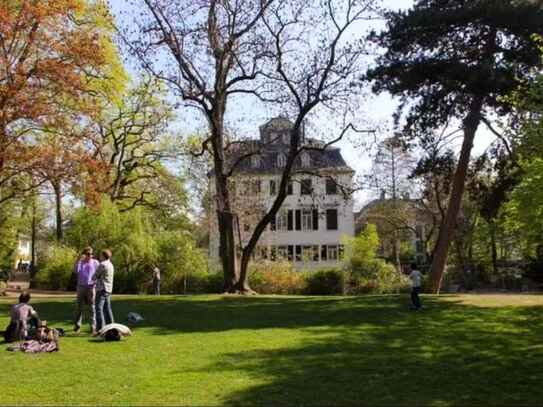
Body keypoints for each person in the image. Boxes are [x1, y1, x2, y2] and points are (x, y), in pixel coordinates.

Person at [73, 247, 99, 334]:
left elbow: (99, 274)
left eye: (91, 254)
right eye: (88, 254)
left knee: (91, 307)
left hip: (91, 287)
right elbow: (76, 271)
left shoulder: (95, 262)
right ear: (84, 254)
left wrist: (95, 284)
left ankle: (93, 327)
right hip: (81, 287)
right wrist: (78, 260)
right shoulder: (80, 262)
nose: (90, 255)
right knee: (79, 307)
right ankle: (77, 326)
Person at [94, 249, 115, 332]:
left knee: (99, 309)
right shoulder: (111, 264)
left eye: (100, 255)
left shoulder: (102, 264)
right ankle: (111, 327)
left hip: (102, 288)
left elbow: (95, 275)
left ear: (103, 256)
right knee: (107, 309)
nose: (99, 256)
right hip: (109, 289)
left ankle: (101, 329)